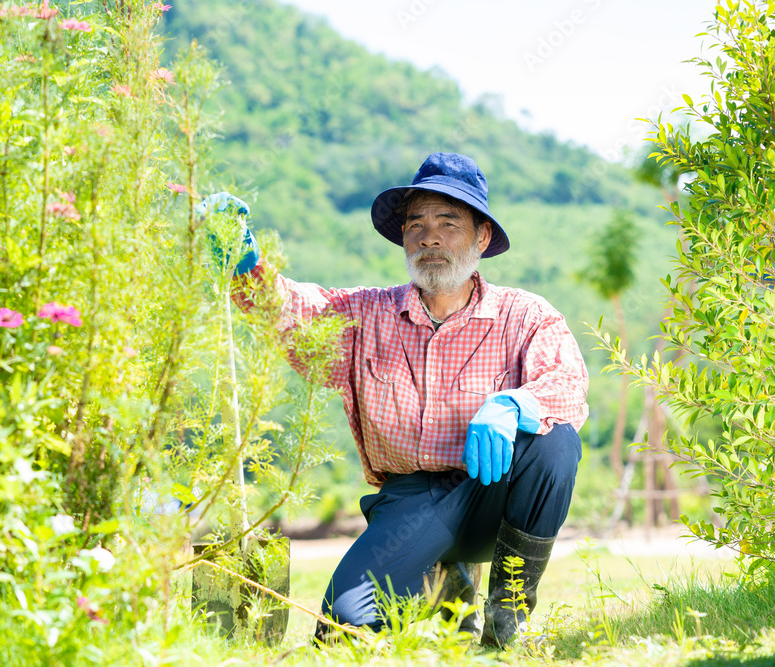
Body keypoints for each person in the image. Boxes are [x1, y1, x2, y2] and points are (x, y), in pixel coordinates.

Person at [199, 152, 589, 648]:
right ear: (403, 237)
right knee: (343, 629)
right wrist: (244, 266)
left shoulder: (525, 315)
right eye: (417, 224)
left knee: (555, 442)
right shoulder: (365, 315)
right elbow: (292, 310)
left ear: (482, 237)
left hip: (499, 496)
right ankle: (445, 578)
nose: (430, 236)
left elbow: (568, 385)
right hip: (413, 502)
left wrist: (512, 405)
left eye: (449, 222)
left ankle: (506, 618)